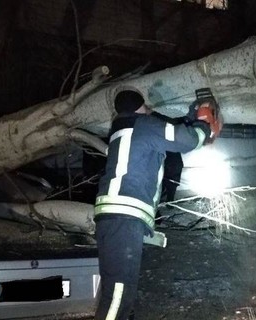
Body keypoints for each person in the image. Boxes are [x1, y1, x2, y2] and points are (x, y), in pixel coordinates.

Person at [93, 88, 219, 320]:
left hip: (112, 218)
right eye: (146, 106)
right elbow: (187, 140)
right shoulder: (145, 125)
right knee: (119, 294)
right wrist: (203, 124)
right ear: (140, 107)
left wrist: (188, 119)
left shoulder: (122, 129)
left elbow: (168, 131)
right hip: (124, 217)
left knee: (116, 290)